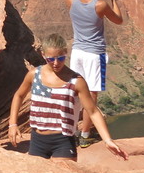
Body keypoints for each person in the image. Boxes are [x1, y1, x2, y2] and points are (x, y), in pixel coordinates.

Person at [8, 33, 127, 161]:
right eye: (50, 59)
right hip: (37, 140)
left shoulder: (76, 81)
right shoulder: (34, 74)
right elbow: (19, 95)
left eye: (60, 58)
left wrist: (107, 140)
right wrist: (12, 124)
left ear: (66, 53)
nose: (55, 63)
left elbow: (92, 111)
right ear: (43, 54)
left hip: (63, 141)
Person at [66, 0, 124, 146]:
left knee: (74, 93)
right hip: (94, 54)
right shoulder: (100, 5)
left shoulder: (70, 0)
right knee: (90, 96)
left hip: (77, 53)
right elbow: (119, 20)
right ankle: (84, 136)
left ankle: (70, 133)